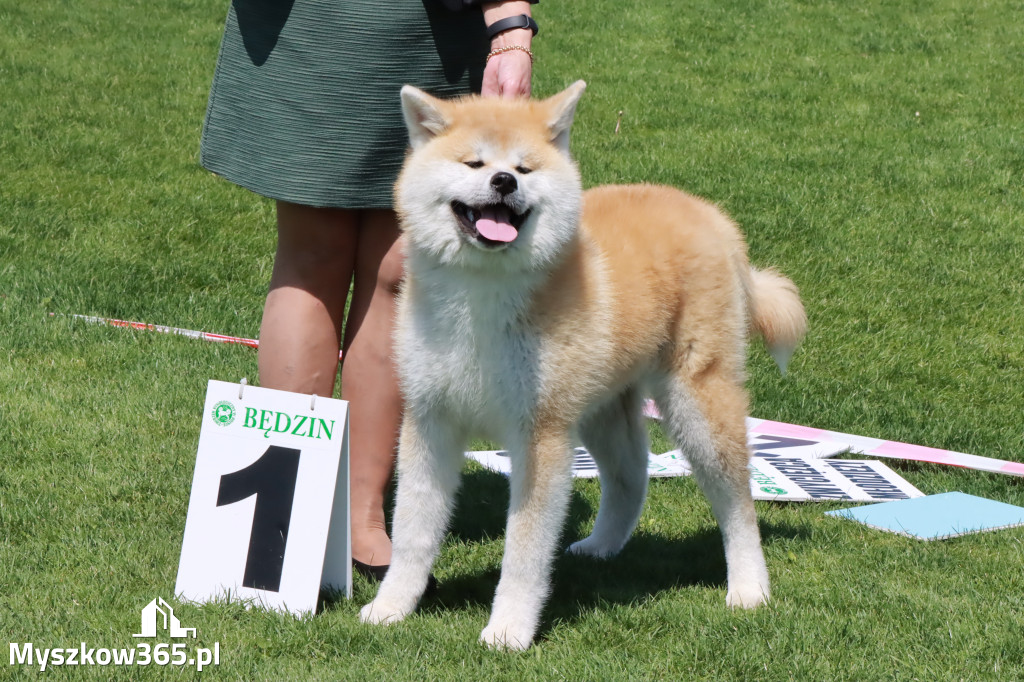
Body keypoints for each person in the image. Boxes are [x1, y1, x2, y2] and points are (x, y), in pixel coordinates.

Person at [199, 0, 537, 577]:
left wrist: (509, 28)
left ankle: (362, 513)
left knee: (398, 269)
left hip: (431, 29)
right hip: (313, 21)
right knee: (313, 257)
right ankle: (294, 508)